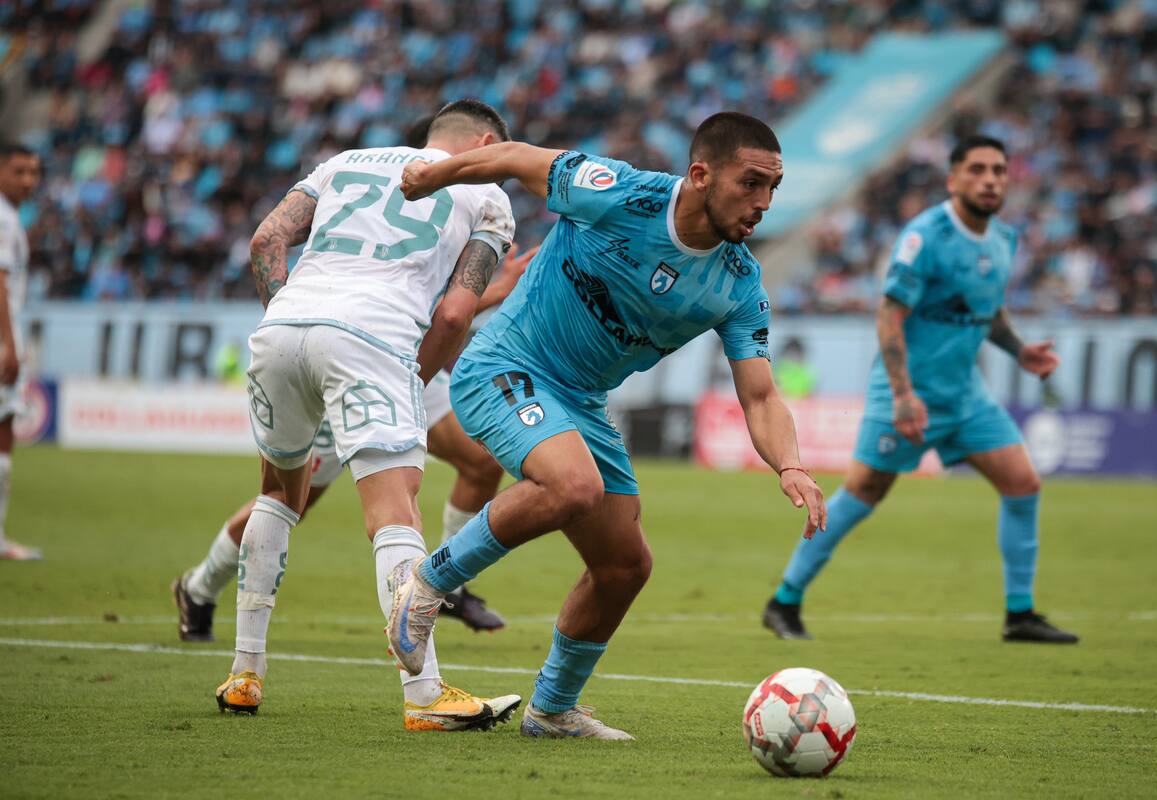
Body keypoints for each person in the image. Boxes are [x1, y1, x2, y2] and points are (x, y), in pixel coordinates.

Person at [390, 111, 828, 740]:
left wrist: (790, 464)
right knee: (573, 488)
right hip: (506, 365)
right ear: (701, 175)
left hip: (582, 402)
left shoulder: (738, 283)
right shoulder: (620, 191)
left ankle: (551, 710)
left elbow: (759, 396)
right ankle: (427, 586)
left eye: (772, 189)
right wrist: (435, 175)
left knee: (625, 565)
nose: (762, 203)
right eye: (750, 183)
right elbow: (514, 156)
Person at [213, 99, 525, 730]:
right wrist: (411, 378)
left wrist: (288, 313)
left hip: (284, 325)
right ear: (486, 142)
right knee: (394, 510)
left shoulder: (342, 163)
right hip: (372, 338)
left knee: (279, 493)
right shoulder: (488, 196)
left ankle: (245, 673)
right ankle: (425, 695)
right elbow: (456, 315)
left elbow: (266, 239)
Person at [763, 135, 1078, 645]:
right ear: (953, 180)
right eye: (977, 170)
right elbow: (890, 313)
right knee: (863, 494)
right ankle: (784, 600)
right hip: (904, 393)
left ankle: (1020, 614)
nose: (991, 179)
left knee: (1023, 484)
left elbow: (986, 309)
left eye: (998, 170)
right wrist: (905, 393)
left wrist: (1019, 351)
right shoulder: (926, 236)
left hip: (965, 395)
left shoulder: (1004, 240)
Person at [172, 243, 531, 642]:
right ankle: (198, 587)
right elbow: (433, 311)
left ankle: (447, 587)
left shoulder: (435, 201)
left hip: (403, 360)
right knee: (290, 500)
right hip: (348, 356)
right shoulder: (393, 202)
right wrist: (497, 292)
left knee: (480, 461)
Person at [0, 143, 41, 561]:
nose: (28, 180)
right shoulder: (4, 219)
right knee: (4, 430)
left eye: (34, 172)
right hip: (1, 340)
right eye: (18, 171)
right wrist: (9, 346)